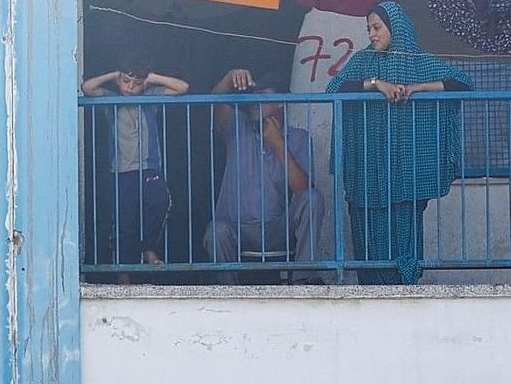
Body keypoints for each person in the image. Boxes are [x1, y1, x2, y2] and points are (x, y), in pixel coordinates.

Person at [325, 2, 469, 285]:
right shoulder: (362, 61)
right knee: (367, 235)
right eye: (369, 29)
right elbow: (334, 88)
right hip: (369, 170)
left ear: (396, 28)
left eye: (377, 28)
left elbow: (463, 83)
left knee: (404, 236)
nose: (372, 35)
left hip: (407, 174)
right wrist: (376, 84)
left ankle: (405, 291)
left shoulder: (420, 62)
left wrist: (419, 88)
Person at [201, 69, 329, 273]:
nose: (255, 103)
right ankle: (225, 295)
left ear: (280, 102)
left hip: (277, 229)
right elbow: (216, 101)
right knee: (216, 231)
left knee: (313, 198)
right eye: (254, 98)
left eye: (262, 97)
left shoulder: (298, 138)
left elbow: (303, 190)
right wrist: (229, 77)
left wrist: (278, 145)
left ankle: (305, 280)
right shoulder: (237, 127)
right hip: (236, 229)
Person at [78, 67, 188, 269]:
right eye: (126, 81)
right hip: (121, 170)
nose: (130, 88)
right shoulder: (110, 100)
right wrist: (112, 74)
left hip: (149, 167)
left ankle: (149, 248)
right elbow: (87, 87)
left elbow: (182, 87)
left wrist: (153, 78)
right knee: (124, 221)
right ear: (119, 81)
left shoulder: (150, 98)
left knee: (159, 201)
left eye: (136, 83)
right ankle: (123, 272)